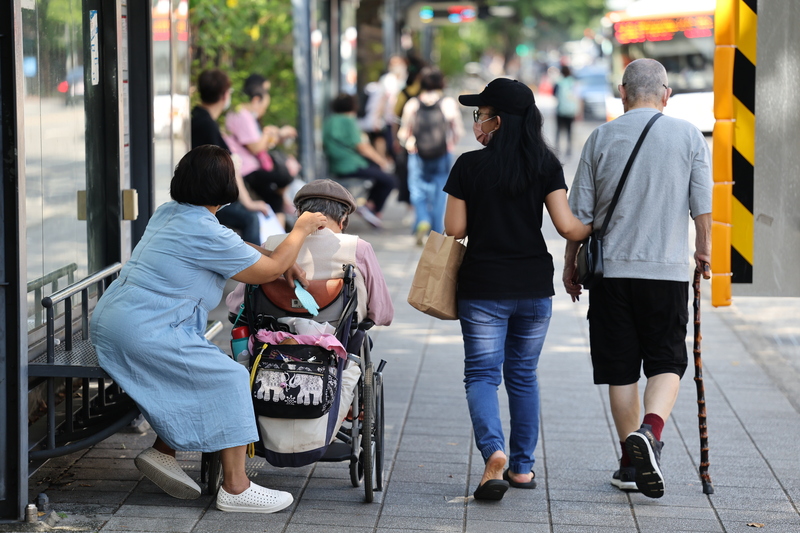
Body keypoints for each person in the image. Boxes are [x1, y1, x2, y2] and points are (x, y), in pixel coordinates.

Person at [90, 145, 328, 513]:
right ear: (225, 187)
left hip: (118, 319)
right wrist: (300, 230)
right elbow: (258, 269)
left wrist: (280, 261)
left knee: (203, 369)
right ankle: (236, 488)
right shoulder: (203, 229)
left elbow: (235, 247)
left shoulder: (172, 213)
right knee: (230, 377)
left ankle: (163, 451)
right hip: (145, 328)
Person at [563, 58, 713, 498]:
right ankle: (650, 432)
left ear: (622, 92)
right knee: (667, 362)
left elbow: (581, 217)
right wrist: (703, 250)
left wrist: (570, 264)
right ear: (666, 94)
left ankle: (630, 466)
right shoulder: (687, 135)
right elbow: (702, 205)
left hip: (611, 275)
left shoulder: (600, 137)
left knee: (620, 369)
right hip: (666, 274)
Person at [444, 79, 592, 501]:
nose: (477, 122)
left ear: (498, 119)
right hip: (532, 287)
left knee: (482, 375)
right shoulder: (545, 163)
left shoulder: (469, 167)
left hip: (483, 286)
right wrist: (598, 223)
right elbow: (568, 227)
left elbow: (454, 229)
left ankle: (494, 451)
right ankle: (522, 469)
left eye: (480, 114)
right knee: (523, 376)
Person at [227, 178, 394, 328]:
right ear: (343, 220)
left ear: (299, 214)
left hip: (272, 341)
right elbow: (382, 311)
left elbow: (236, 306)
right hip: (340, 342)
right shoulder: (359, 248)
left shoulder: (271, 245)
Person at [191, 69, 269, 244]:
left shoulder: (199, 118)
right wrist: (249, 203)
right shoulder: (206, 125)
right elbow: (230, 165)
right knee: (250, 218)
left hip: (201, 196)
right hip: (206, 200)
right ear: (225, 95)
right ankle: (253, 268)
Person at [398, 67, 463, 244]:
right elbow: (457, 130)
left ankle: (422, 220)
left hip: (418, 153)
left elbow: (404, 133)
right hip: (442, 153)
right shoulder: (447, 103)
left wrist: (409, 143)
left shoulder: (413, 103)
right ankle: (435, 232)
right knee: (440, 191)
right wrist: (451, 145)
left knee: (417, 190)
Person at [224, 74, 295, 222]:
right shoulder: (242, 115)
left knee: (276, 196)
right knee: (284, 176)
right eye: (263, 108)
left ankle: (279, 229)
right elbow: (256, 147)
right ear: (256, 99)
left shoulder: (241, 114)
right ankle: (278, 237)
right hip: (247, 168)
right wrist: (269, 133)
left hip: (249, 166)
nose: (262, 112)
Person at [322, 93, 396, 228]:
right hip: (351, 166)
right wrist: (381, 161)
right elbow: (362, 146)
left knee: (378, 174)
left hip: (337, 166)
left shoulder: (329, 121)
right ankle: (371, 207)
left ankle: (368, 206)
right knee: (389, 180)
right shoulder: (348, 121)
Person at [553, 65, 579, 157]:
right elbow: (577, 96)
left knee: (558, 131)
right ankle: (569, 150)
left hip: (560, 110)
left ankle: (556, 149)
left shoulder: (559, 82)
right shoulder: (573, 82)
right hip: (571, 111)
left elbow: (554, 94)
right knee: (569, 131)